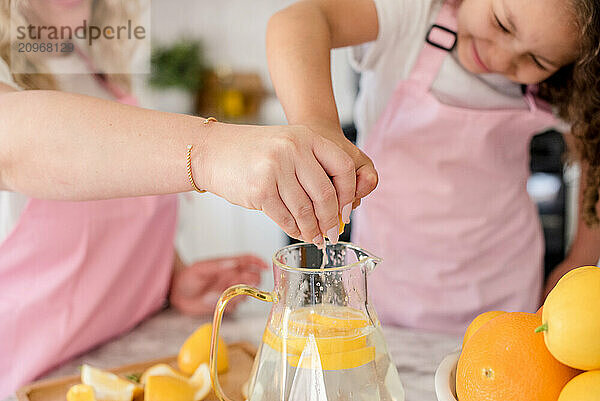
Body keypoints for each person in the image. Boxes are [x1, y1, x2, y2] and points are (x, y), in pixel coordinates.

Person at [0, 0, 369, 396]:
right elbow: (15, 142)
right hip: (30, 383)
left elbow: (111, 199)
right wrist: (212, 151)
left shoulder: (95, 63)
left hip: (124, 361)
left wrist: (169, 279)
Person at [266, 0, 600, 334]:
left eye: (537, 60)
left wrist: (579, 260)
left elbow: (594, 155)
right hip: (388, 287)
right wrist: (317, 127)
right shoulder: (415, 16)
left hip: (505, 292)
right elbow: (299, 21)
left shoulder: (560, 84)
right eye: (501, 23)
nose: (500, 59)